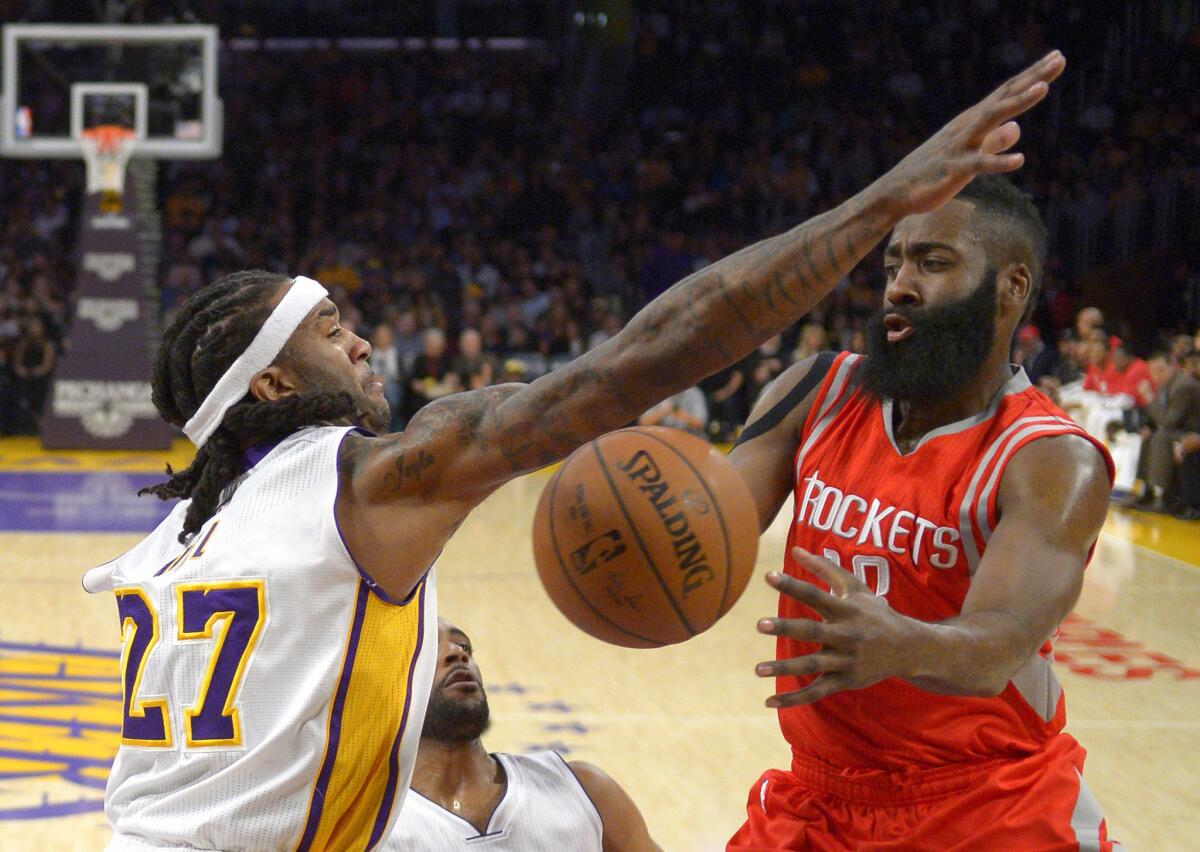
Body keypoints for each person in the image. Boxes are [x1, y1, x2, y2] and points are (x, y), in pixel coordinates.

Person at [81, 50, 1066, 851]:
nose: (362, 341)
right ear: (272, 386)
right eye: (331, 330)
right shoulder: (364, 481)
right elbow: (642, 359)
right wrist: (879, 208)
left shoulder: (185, 532)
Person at [726, 174, 1119, 848]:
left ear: (1011, 288)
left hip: (988, 804)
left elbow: (1001, 641)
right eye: (893, 263)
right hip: (818, 798)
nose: (900, 285)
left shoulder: (1050, 457)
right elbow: (711, 537)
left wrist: (909, 643)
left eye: (933, 262)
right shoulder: (815, 391)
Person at [385, 619, 660, 851]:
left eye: (464, 646)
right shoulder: (370, 825)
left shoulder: (586, 791)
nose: (457, 653)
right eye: (426, 647)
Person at [1129, 351, 1200, 512]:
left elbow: (1169, 422)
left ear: (1172, 367)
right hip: (1178, 431)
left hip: (1192, 433)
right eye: (1153, 371)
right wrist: (1148, 427)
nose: (1157, 375)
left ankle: (1162, 495)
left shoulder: (1183, 386)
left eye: (1161, 370)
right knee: (1148, 436)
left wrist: (1149, 397)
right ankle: (1145, 491)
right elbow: (1159, 418)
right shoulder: (1166, 385)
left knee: (1161, 438)